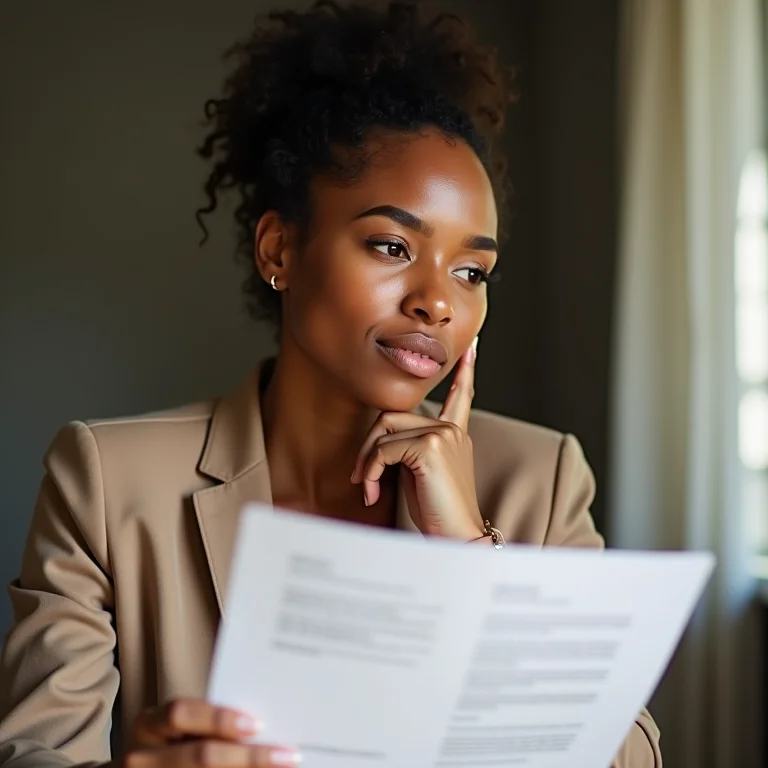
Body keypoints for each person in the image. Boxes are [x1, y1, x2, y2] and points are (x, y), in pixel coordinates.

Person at [0, 1, 661, 766]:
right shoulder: (108, 481)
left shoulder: (539, 481)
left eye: (472, 271)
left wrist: (471, 561)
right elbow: (34, 752)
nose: (439, 303)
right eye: (392, 246)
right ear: (279, 249)